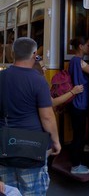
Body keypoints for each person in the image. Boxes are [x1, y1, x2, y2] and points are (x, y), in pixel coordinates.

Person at [0, 37, 61, 195]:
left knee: (9, 191)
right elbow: (47, 117)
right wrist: (55, 142)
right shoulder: (38, 80)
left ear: (13, 53)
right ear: (35, 55)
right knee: (32, 191)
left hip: (4, 145)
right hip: (31, 147)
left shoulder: (1, 77)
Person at [68, 37, 89, 174]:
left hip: (76, 103)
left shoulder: (73, 61)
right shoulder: (79, 62)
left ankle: (77, 163)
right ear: (80, 46)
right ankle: (76, 165)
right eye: (88, 45)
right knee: (78, 136)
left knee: (78, 135)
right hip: (79, 103)